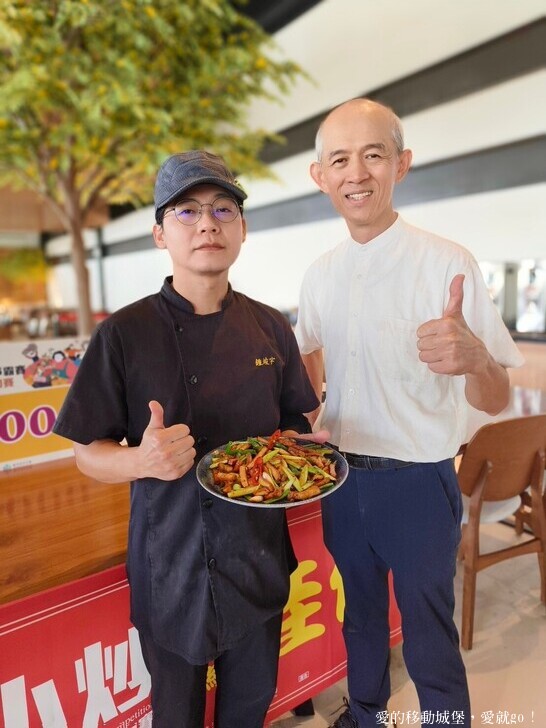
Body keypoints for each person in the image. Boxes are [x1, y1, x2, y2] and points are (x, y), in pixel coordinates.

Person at [53, 150, 321, 728]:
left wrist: (308, 445)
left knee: (249, 710)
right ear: (159, 233)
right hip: (171, 569)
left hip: (257, 567)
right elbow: (85, 454)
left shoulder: (271, 325)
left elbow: (298, 423)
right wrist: (140, 460)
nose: (208, 224)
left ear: (242, 230)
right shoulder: (123, 334)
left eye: (225, 209)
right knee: (174, 718)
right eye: (187, 211)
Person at [294, 99, 524, 728]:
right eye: (339, 159)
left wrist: (476, 358)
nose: (357, 172)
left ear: (402, 164)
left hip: (419, 481)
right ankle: (363, 713)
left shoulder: (448, 263)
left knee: (427, 627)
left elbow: (496, 398)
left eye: (374, 154)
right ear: (320, 177)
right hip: (340, 480)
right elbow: (311, 374)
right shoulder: (318, 277)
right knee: (359, 614)